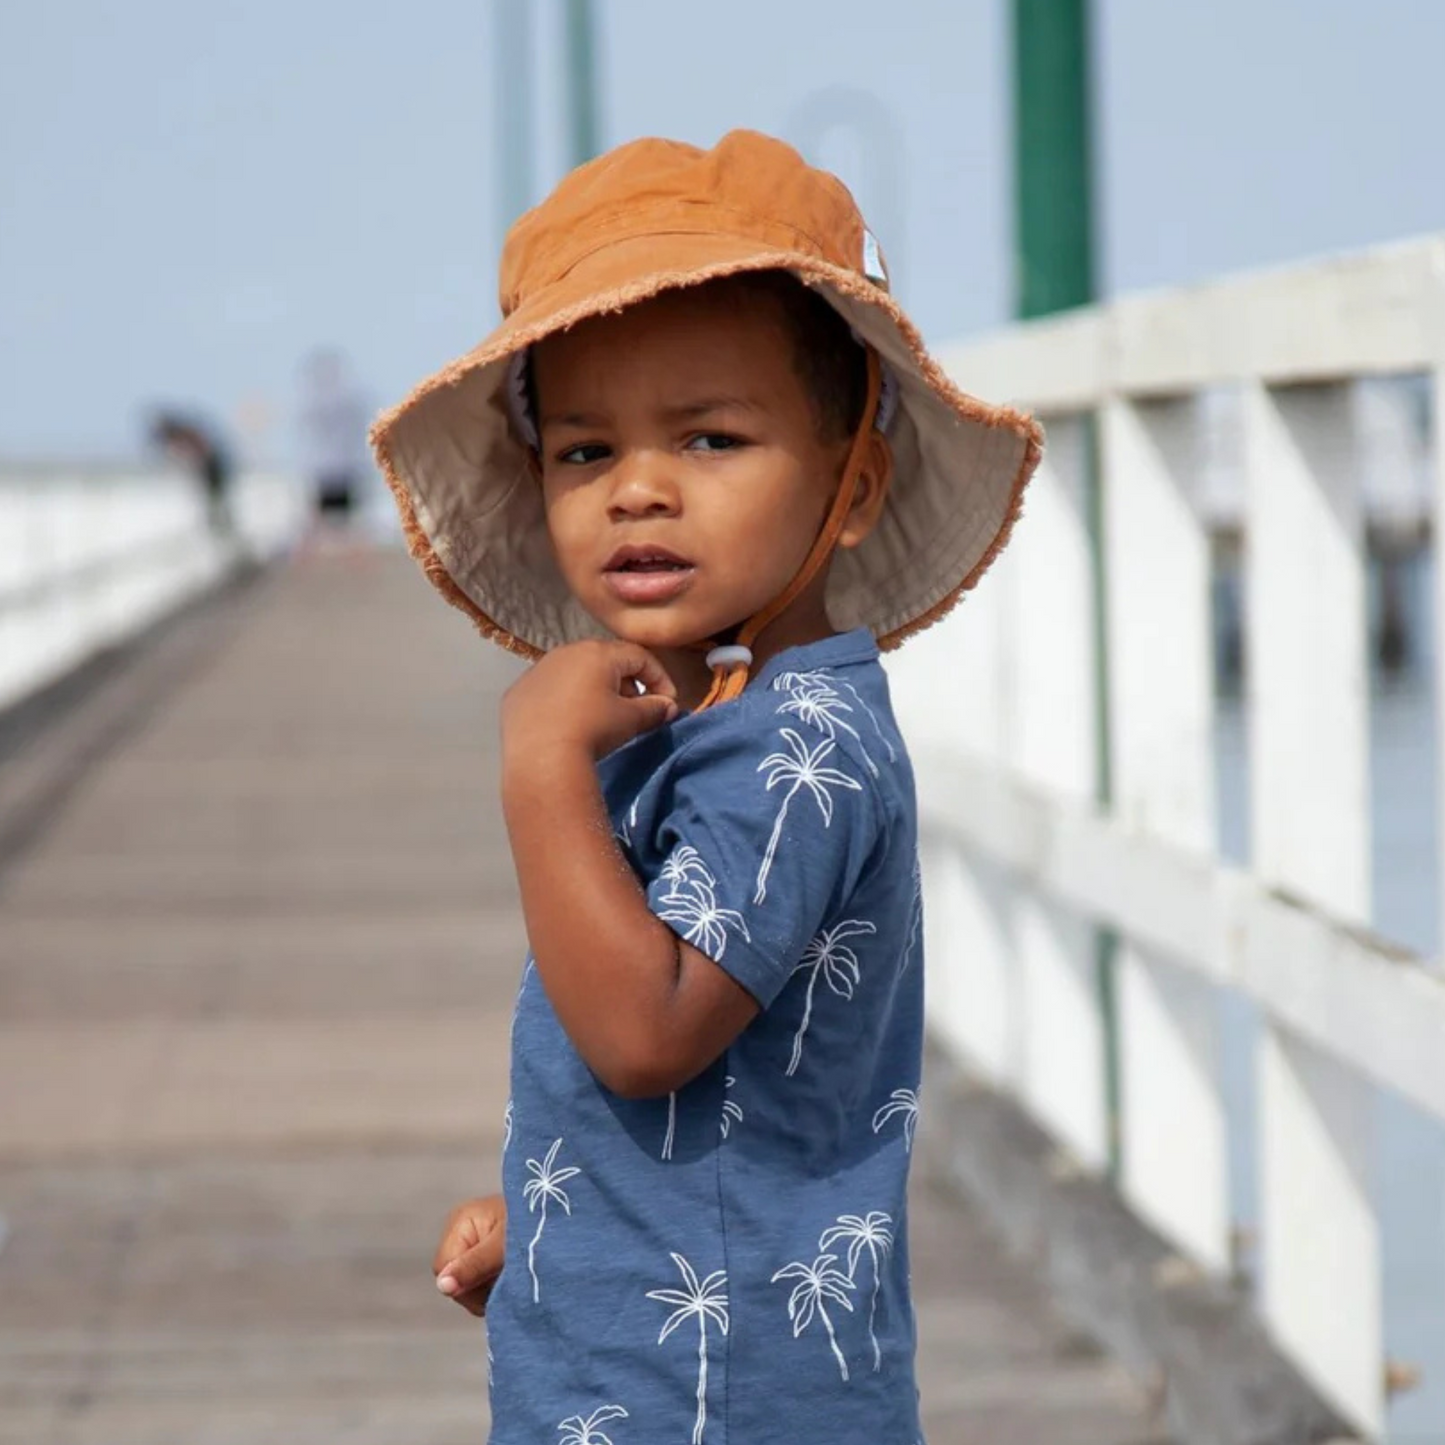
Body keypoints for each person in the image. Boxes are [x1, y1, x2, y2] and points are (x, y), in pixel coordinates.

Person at [371, 129, 1042, 1443]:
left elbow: (648, 1028)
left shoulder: (798, 753)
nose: (638, 491)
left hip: (717, 1400)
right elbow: (738, 1093)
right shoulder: (730, 724)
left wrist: (538, 766)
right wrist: (555, 1214)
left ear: (856, 485)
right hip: (678, 1357)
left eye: (712, 438)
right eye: (583, 453)